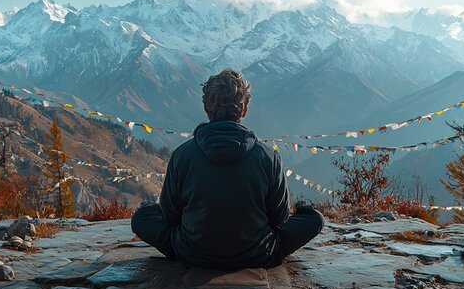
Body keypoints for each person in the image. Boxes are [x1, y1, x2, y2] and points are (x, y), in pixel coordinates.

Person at [131, 69, 324, 270]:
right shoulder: (268, 156)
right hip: (258, 253)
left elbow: (170, 216)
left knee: (142, 218)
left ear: (206, 108)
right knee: (314, 219)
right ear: (244, 110)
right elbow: (280, 218)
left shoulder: (182, 155)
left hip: (192, 253)